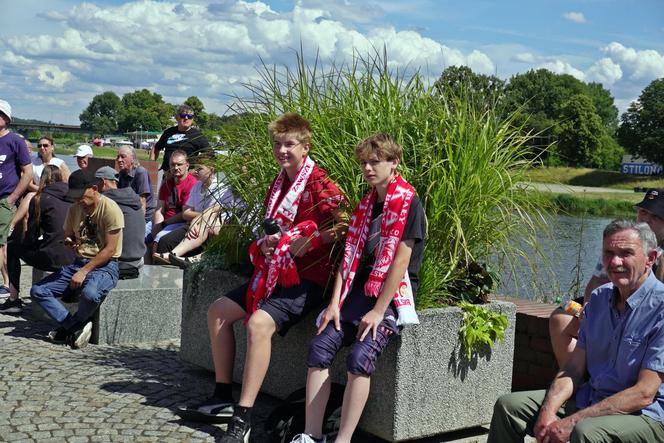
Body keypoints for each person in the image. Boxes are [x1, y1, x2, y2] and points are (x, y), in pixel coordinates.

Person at [177, 113, 347, 443]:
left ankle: (243, 416)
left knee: (258, 324)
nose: (282, 150)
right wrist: (272, 241)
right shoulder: (279, 179)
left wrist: (311, 241)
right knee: (218, 312)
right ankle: (223, 394)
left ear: (305, 146)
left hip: (308, 278)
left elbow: (343, 226)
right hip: (275, 271)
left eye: (289, 144)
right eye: (277, 144)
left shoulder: (320, 182)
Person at [290, 134, 425, 443]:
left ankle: (343, 440)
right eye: (363, 162)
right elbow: (349, 257)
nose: (367, 168)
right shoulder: (366, 205)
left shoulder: (409, 203)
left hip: (394, 293)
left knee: (360, 357)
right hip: (361, 289)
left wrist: (379, 311)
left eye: (375, 162)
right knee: (320, 347)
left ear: (394, 163)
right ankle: (311, 435)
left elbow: (400, 263)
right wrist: (335, 303)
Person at [489, 219, 664, 443]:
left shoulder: (660, 308)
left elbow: (644, 394)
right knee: (509, 407)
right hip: (592, 398)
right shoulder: (600, 298)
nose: (615, 261)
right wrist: (548, 411)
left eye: (626, 253)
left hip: (644, 416)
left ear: (649, 259)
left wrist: (572, 421)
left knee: (586, 432)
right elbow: (573, 368)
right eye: (608, 253)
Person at [549, 188, 664, 368]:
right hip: (609, 304)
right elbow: (596, 282)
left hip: (645, 315)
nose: (646, 220)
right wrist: (588, 310)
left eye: (655, 216)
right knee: (560, 318)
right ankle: (575, 382)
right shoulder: (620, 242)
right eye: (643, 212)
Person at [30, 169, 123, 349]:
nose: (79, 201)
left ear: (94, 189)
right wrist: (69, 241)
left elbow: (110, 249)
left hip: (105, 266)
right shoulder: (75, 208)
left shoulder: (110, 209)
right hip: (78, 262)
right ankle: (75, 326)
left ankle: (70, 328)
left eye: (81, 196)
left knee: (90, 294)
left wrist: (84, 271)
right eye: (75, 197)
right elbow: (68, 234)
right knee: (38, 291)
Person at [0, 166, 76, 314]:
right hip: (73, 254)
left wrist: (22, 237)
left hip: (53, 258)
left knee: (13, 248)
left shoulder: (40, 198)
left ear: (42, 180)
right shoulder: (73, 197)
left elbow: (32, 236)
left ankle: (14, 299)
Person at [152, 157, 234, 264]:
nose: (196, 171)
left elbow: (219, 215)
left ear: (212, 169)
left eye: (200, 169)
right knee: (164, 241)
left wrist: (199, 219)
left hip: (208, 229)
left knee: (166, 241)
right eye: (196, 168)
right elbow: (185, 213)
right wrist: (198, 219)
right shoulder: (197, 186)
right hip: (192, 225)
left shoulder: (222, 189)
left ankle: (171, 264)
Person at [0, 99, 33, 297]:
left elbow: (27, 172)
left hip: (4, 199)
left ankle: (6, 285)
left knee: (2, 243)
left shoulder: (15, 141)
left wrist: (12, 198)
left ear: (6, 118)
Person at [10, 135, 71, 236]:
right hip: (37, 191)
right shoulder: (33, 162)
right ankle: (20, 233)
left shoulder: (59, 163)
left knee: (30, 197)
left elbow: (68, 182)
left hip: (56, 194)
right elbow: (28, 183)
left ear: (52, 147)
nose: (42, 148)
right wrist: (41, 190)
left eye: (45, 145)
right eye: (40, 146)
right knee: (29, 202)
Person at [96, 166, 146, 279]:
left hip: (120, 262)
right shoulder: (133, 198)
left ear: (103, 182)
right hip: (139, 259)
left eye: (95, 183)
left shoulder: (105, 201)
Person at [150, 149, 197, 246]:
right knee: (140, 235)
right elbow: (159, 209)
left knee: (159, 239)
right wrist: (157, 225)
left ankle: (157, 260)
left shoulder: (192, 183)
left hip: (180, 223)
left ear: (187, 165)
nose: (175, 167)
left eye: (179, 164)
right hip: (163, 221)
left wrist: (163, 224)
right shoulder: (167, 183)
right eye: (172, 164)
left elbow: (184, 214)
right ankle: (144, 261)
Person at [150, 104, 210, 172]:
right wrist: (151, 164)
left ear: (192, 119)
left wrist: (197, 169)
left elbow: (210, 154)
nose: (186, 118)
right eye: (183, 115)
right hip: (168, 176)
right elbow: (156, 148)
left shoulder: (197, 135)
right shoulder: (168, 132)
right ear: (177, 117)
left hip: (187, 177)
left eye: (190, 116)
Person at [116, 145, 156, 237]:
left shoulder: (140, 172)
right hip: (129, 215)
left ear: (132, 158)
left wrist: (139, 227)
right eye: (118, 157)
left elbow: (142, 202)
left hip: (144, 219)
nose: (119, 160)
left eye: (123, 156)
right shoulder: (122, 174)